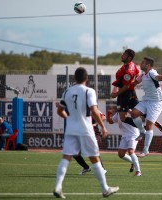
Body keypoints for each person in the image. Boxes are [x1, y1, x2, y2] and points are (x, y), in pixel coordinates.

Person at [53, 67, 118, 198]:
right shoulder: (89, 91)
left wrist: (69, 118)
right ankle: (105, 189)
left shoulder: (67, 91)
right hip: (86, 129)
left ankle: (58, 187)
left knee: (66, 158)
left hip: (71, 129)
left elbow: (59, 110)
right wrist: (103, 127)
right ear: (86, 78)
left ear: (74, 78)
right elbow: (94, 110)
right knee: (94, 158)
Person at [110, 49, 162, 132]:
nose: (122, 55)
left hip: (124, 94)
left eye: (124, 55)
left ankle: (144, 128)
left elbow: (126, 85)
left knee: (123, 118)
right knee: (137, 112)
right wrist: (134, 81)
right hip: (131, 93)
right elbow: (137, 75)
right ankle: (153, 122)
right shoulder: (132, 65)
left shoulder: (128, 70)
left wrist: (116, 94)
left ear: (129, 58)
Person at [128, 56, 162, 157]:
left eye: (143, 62)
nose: (140, 64)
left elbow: (157, 77)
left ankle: (145, 150)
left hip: (156, 102)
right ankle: (141, 132)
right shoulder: (143, 75)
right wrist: (125, 83)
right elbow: (134, 83)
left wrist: (161, 78)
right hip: (146, 100)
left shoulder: (152, 73)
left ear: (148, 65)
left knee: (149, 125)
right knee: (134, 113)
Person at [107, 108, 142, 176]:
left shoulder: (131, 112)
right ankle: (133, 162)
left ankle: (138, 171)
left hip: (133, 134)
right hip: (125, 135)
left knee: (131, 151)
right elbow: (111, 122)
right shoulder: (118, 114)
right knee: (121, 154)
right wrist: (109, 115)